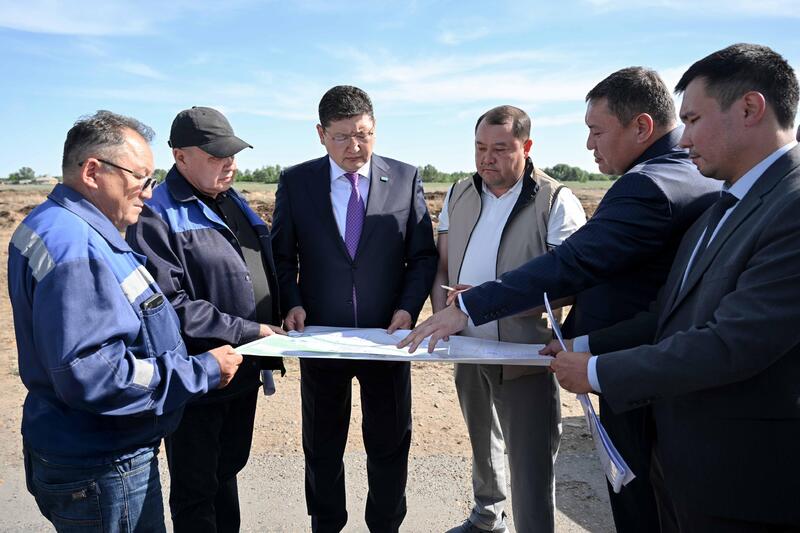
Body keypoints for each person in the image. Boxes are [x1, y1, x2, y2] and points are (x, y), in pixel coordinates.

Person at [399, 67, 720, 532]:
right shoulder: (685, 175)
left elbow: (571, 267)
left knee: (638, 499)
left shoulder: (643, 185)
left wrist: (471, 305)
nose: (588, 144)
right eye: (480, 148)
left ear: (641, 127)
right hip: (611, 354)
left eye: (596, 131)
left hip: (618, 367)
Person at [551, 43, 800, 530]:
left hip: (747, 482)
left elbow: (731, 344)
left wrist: (597, 371)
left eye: (693, 119)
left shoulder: (791, 207)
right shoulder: (723, 205)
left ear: (749, 108)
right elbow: (666, 319)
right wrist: (579, 345)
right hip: (687, 469)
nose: (682, 139)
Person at [8, 110, 242, 532]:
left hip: (73, 445)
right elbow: (97, 376)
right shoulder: (78, 249)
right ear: (93, 172)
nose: (149, 194)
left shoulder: (53, 224)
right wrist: (202, 371)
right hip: (103, 462)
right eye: (140, 178)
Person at [271, 85, 437, 532]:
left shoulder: (405, 177)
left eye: (363, 134)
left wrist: (408, 308)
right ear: (320, 134)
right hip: (321, 338)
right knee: (322, 445)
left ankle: (385, 524)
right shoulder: (297, 182)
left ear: (375, 128)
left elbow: (422, 255)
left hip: (387, 338)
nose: (354, 147)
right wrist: (292, 302)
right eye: (342, 137)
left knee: (389, 444)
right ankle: (326, 523)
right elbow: (282, 256)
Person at [126, 106, 285, 532]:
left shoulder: (232, 199)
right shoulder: (156, 213)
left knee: (226, 471)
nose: (229, 163)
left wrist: (285, 308)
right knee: (196, 488)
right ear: (180, 157)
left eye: (232, 154)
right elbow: (168, 305)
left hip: (243, 366)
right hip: (198, 375)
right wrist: (251, 330)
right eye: (216, 156)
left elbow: (259, 268)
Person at [434, 106, 585, 533]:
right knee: (482, 443)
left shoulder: (556, 200)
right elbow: (441, 266)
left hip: (525, 353)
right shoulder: (457, 193)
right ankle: (487, 518)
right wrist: (445, 317)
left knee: (530, 461)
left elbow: (572, 284)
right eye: (480, 147)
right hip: (466, 346)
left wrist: (489, 299)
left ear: (527, 146)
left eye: (500, 149)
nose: (487, 159)